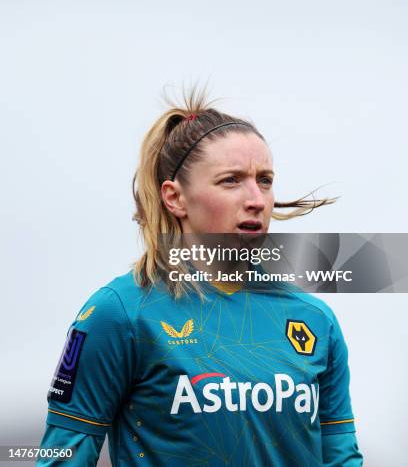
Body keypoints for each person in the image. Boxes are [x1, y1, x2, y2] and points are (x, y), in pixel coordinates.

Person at [38, 89, 363, 466]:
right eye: (231, 180)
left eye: (265, 180)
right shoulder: (120, 313)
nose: (256, 198)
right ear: (175, 198)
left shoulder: (314, 318)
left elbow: (342, 459)